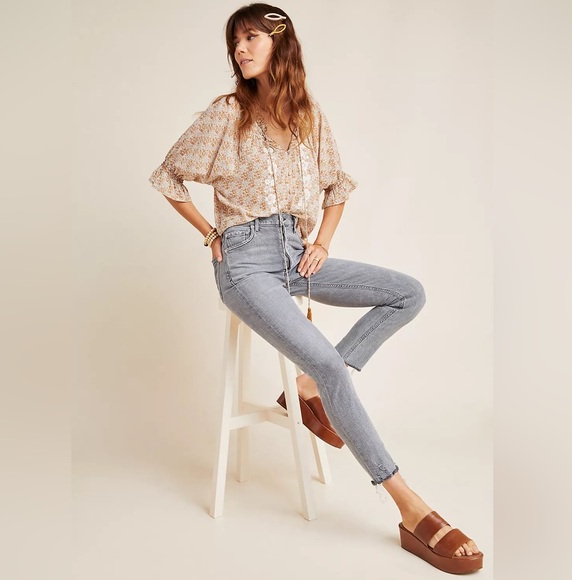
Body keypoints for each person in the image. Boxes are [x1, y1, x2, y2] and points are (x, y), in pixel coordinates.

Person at [149, 3, 483, 574]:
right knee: (330, 365)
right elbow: (168, 175)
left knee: (407, 292)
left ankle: (307, 388)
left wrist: (322, 242)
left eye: (251, 37)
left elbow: (336, 187)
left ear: (281, 44)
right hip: (245, 264)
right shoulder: (227, 113)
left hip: (295, 252)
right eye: (235, 41)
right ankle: (409, 507)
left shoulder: (309, 116)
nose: (240, 49)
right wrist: (210, 233)